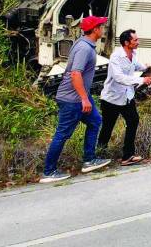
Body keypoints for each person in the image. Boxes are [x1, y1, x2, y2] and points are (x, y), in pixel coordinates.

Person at [40, 15, 112, 183]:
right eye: (101, 26)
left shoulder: (84, 43)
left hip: (80, 97)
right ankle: (48, 172)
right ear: (95, 30)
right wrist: (84, 99)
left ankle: (89, 160)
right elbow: (75, 73)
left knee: (95, 121)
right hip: (72, 99)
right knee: (62, 134)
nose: (103, 28)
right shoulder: (84, 49)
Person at [97, 29, 151, 166]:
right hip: (112, 99)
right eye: (135, 40)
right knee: (107, 128)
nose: (138, 42)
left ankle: (127, 156)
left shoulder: (133, 54)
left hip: (126, 97)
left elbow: (136, 65)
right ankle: (98, 155)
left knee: (133, 121)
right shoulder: (116, 57)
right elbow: (118, 77)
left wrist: (147, 67)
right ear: (126, 42)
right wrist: (141, 80)